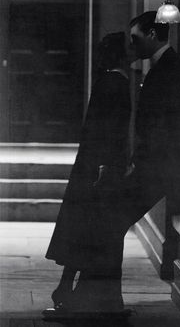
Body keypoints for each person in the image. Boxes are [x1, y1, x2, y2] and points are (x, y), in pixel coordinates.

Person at [44, 32, 132, 315]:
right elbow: (109, 129)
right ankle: (71, 289)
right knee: (89, 231)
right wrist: (107, 165)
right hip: (100, 169)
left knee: (84, 231)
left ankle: (67, 287)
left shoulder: (108, 80)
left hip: (92, 166)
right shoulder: (116, 83)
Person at [127, 11, 180, 230]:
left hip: (159, 167)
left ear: (152, 34)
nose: (132, 45)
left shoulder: (173, 69)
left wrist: (141, 160)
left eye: (136, 38)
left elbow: (168, 125)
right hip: (153, 164)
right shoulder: (165, 66)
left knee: (114, 218)